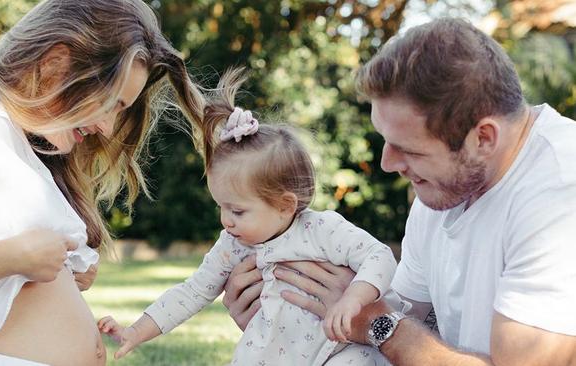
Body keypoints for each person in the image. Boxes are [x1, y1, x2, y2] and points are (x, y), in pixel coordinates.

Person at [223, 17, 576, 365]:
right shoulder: (444, 187)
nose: (387, 163)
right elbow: (408, 323)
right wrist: (284, 318)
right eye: (386, 141)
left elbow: (389, 326)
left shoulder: (559, 191)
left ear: (483, 138)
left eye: (409, 148)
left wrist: (376, 324)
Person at [0, 0, 209, 365]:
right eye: (111, 104)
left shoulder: (16, 136)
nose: (107, 127)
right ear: (56, 63)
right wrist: (14, 257)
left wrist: (59, 272)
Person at [97, 70, 406, 365]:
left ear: (285, 205)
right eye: (221, 207)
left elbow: (379, 257)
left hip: (336, 351)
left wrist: (353, 298)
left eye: (237, 210)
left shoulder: (321, 229)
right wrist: (136, 331)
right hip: (268, 355)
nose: (225, 221)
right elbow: (193, 291)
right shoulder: (233, 244)